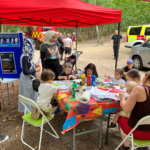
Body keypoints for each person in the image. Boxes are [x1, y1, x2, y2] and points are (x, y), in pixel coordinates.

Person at [118, 71, 150, 150]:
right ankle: (145, 146)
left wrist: (122, 97)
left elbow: (126, 109)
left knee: (120, 117)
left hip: (137, 131)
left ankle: (125, 146)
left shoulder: (139, 89)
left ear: (146, 76)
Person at [18, 38, 41, 113]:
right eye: (33, 44)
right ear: (29, 45)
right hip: (27, 80)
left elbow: (28, 66)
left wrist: (35, 65)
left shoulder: (27, 55)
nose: (34, 46)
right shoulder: (25, 56)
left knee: (31, 95)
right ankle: (28, 113)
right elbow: (25, 71)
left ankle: (32, 112)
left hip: (29, 79)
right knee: (28, 96)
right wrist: (36, 70)